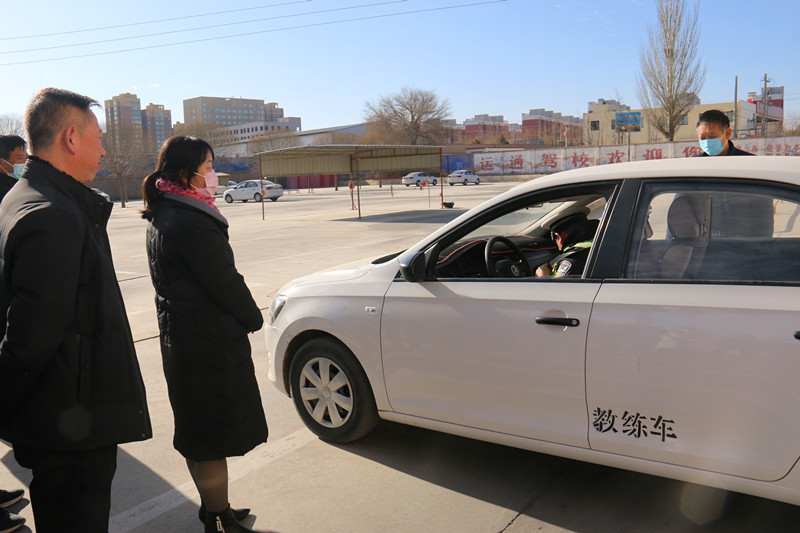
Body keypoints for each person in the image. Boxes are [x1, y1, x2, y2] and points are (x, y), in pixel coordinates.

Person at [0, 88, 152, 532]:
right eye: (99, 137)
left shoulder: (24, 195)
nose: (104, 149)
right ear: (71, 138)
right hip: (70, 428)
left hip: (59, 417)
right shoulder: (53, 214)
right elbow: (28, 342)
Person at [141, 136, 268, 533]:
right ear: (185, 174)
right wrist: (252, 317)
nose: (213, 175)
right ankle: (219, 517)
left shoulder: (167, 210)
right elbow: (224, 281)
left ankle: (214, 505)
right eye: (208, 167)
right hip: (204, 341)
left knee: (196, 428)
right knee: (209, 434)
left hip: (182, 336)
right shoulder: (191, 221)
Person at [535, 213, 594, 278]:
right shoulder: (599, 242)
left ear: (560, 238)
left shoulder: (570, 261)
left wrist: (543, 277)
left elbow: (559, 288)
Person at [0, 135, 27, 199]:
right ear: (1, 163)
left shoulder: (19, 185)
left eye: (26, 157)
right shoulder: (6, 193)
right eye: (20, 158)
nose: (26, 162)